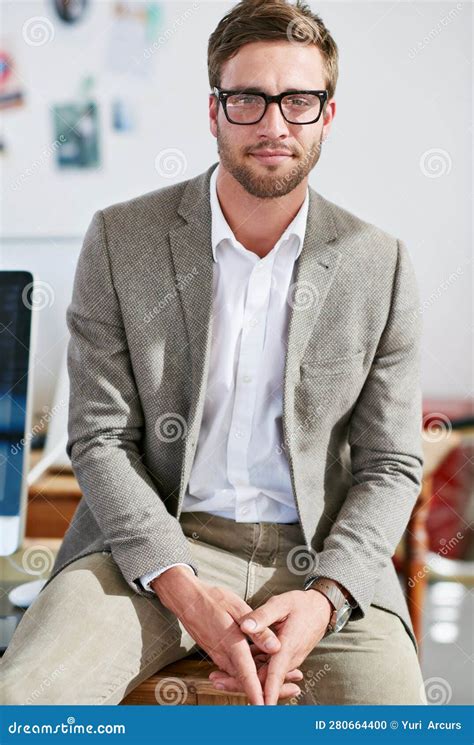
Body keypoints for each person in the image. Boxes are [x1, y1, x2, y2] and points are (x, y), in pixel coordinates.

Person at [0, 0, 427, 706]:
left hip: (321, 558)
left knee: (395, 721)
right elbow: (101, 437)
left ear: (327, 113)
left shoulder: (379, 264)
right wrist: (179, 583)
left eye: (298, 101)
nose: (272, 124)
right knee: (22, 703)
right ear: (213, 110)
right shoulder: (119, 240)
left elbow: (391, 464)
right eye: (248, 100)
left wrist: (323, 600)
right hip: (150, 545)